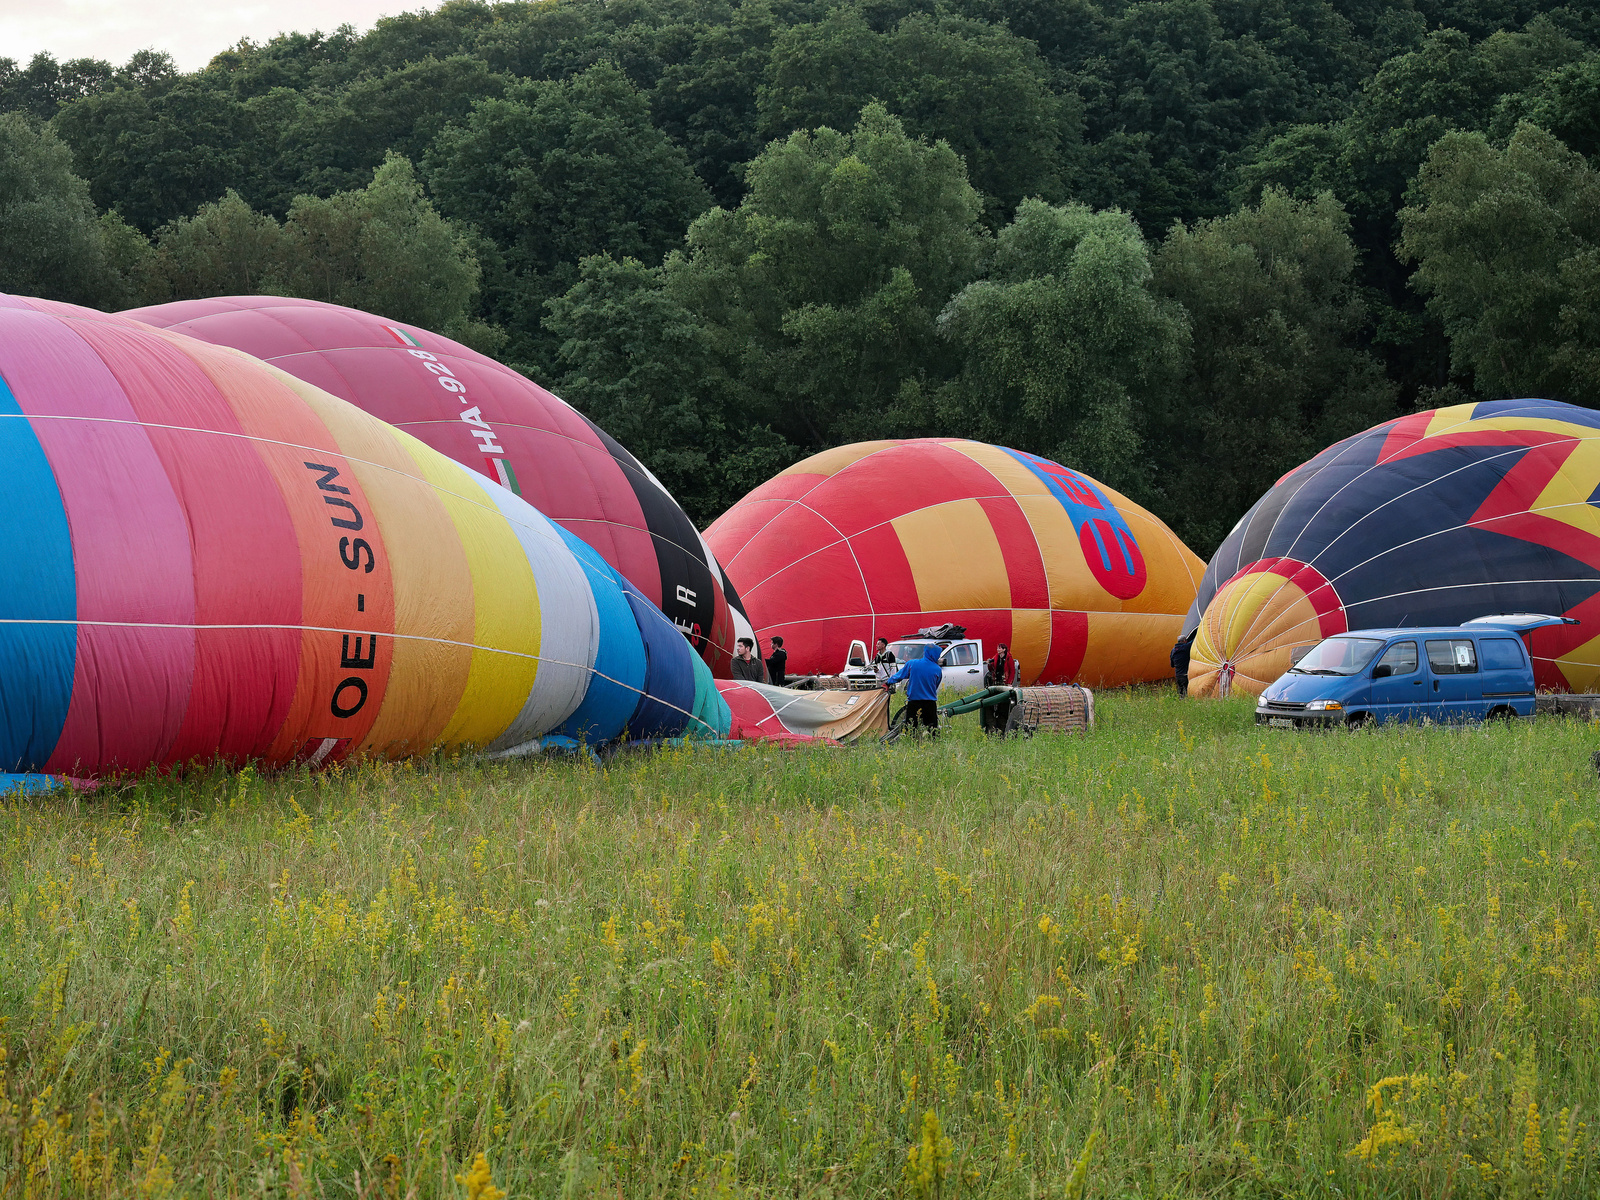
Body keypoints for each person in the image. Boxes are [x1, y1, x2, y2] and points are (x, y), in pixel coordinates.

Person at [884, 644, 943, 736]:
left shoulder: (912, 664)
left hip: (914, 702)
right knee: (932, 730)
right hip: (930, 703)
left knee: (911, 728)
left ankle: (912, 745)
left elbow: (899, 676)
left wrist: (888, 683)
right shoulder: (937, 669)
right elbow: (935, 685)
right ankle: (933, 746)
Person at [1171, 629, 1197, 697]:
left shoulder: (1173, 651)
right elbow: (1193, 641)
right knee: (1187, 691)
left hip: (1178, 675)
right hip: (1185, 674)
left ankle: (1181, 703)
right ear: (1184, 641)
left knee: (1181, 692)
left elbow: (1172, 665)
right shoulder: (1185, 647)